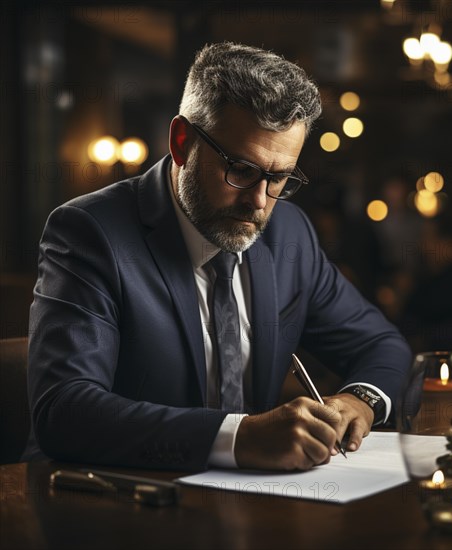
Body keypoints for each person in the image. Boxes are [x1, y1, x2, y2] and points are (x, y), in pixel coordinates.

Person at [25, 42, 411, 472]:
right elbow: (65, 411)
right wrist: (238, 437)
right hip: (103, 504)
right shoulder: (89, 232)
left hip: (251, 506)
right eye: (242, 170)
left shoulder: (291, 234)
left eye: (279, 177)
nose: (260, 203)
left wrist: (360, 399)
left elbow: (381, 344)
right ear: (181, 142)